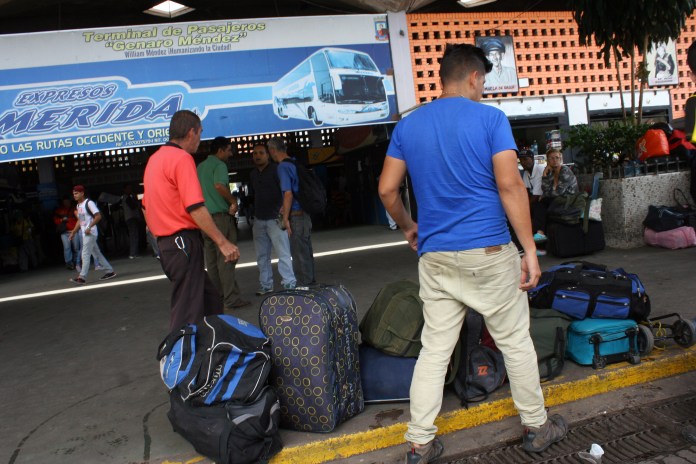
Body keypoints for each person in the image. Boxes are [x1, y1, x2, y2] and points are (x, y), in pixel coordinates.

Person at [378, 43, 567, 464]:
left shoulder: (409, 126)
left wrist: (410, 226)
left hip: (436, 257)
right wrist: (529, 249)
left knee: (434, 351)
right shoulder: (491, 119)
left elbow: (387, 190)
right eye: (484, 82)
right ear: (475, 78)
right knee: (515, 341)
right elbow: (510, 186)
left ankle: (420, 443)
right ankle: (537, 427)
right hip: (489, 252)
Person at [142, 110, 240, 331]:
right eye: (200, 133)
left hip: (169, 245)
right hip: (182, 243)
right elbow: (195, 206)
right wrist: (222, 242)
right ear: (191, 132)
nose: (200, 139)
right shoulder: (182, 158)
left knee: (211, 300)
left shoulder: (154, 160)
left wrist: (159, 238)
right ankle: (179, 359)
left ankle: (213, 348)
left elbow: (146, 207)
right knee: (187, 312)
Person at [196, 136, 250, 310]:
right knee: (227, 257)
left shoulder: (200, 167)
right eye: (229, 150)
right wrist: (233, 201)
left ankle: (217, 297)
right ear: (220, 150)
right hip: (220, 218)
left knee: (211, 261)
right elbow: (219, 186)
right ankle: (231, 299)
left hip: (204, 218)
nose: (231, 153)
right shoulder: (220, 165)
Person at [267, 136, 316, 286]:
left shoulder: (282, 167)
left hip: (296, 217)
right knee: (307, 254)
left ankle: (305, 290)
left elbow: (288, 193)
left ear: (273, 150)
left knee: (299, 257)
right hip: (305, 215)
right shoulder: (294, 162)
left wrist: (285, 218)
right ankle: (311, 285)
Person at [248, 142, 296, 294]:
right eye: (255, 153)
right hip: (259, 219)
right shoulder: (253, 174)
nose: (258, 156)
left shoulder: (276, 170)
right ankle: (266, 285)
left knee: (283, 252)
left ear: (268, 155)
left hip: (276, 218)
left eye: (261, 153)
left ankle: (289, 283)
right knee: (262, 256)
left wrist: (284, 214)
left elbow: (286, 192)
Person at [68, 185, 117, 284]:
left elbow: (98, 216)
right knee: (96, 253)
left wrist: (89, 226)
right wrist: (73, 231)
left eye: (76, 193)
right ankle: (109, 271)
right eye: (73, 194)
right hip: (85, 233)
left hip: (90, 232)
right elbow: (80, 220)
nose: (75, 195)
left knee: (85, 254)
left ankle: (82, 277)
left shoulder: (89, 203)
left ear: (82, 193)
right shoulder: (78, 205)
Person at [531, 148, 579, 242]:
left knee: (541, 204)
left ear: (561, 159)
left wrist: (545, 196)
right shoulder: (550, 172)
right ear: (548, 161)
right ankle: (540, 234)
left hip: (569, 200)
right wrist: (545, 174)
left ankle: (540, 233)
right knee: (539, 205)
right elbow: (545, 189)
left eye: (557, 157)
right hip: (558, 199)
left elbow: (559, 192)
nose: (555, 160)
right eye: (551, 158)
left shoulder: (565, 170)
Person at [54, 197, 80, 270]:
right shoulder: (59, 210)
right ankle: (69, 263)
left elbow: (79, 219)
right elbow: (55, 220)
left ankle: (76, 262)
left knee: (76, 248)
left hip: (74, 231)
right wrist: (61, 220)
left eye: (67, 201)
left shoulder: (74, 209)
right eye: (64, 201)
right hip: (64, 232)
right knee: (67, 247)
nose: (66, 203)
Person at [121, 184, 142, 259]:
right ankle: (133, 253)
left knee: (133, 235)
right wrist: (136, 201)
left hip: (129, 218)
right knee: (134, 235)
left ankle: (133, 252)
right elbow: (133, 206)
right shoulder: (127, 198)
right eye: (129, 188)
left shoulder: (126, 197)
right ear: (125, 189)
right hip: (131, 218)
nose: (130, 190)